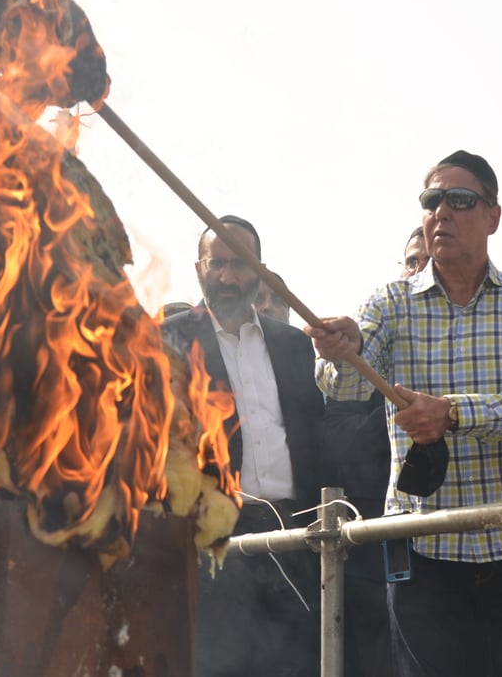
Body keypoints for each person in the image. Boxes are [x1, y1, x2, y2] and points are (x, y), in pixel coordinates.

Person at [307, 150, 502, 677]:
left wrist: (451, 414)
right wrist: (342, 350)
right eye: (432, 200)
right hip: (423, 552)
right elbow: (344, 388)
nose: (441, 212)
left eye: (460, 200)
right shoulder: (387, 303)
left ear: (493, 216)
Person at [162, 215, 324, 677]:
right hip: (212, 543)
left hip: (294, 533)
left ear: (260, 271)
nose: (229, 278)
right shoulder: (168, 341)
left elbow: (312, 433)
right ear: (199, 270)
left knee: (298, 662)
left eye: (240, 265)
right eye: (218, 265)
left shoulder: (293, 343)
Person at [320, 228, 428, 677]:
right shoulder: (380, 337)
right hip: (374, 546)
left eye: (427, 262)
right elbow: (337, 391)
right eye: (412, 262)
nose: (419, 271)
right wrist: (349, 352)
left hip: (457, 546)